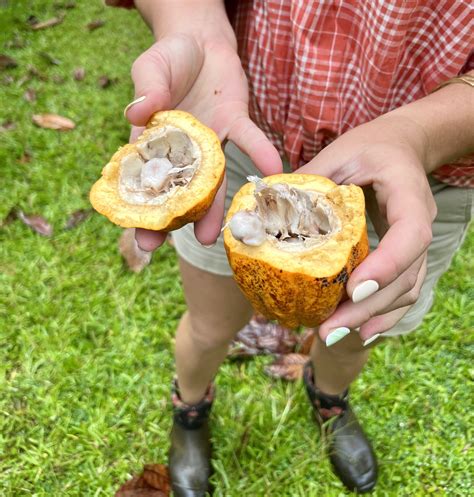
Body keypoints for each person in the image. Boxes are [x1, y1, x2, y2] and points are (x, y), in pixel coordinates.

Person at [107, 1, 473, 494]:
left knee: (356, 330)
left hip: (415, 178)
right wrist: (194, 26)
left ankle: (329, 396)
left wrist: (419, 134)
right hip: (239, 131)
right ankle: (190, 407)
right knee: (210, 323)